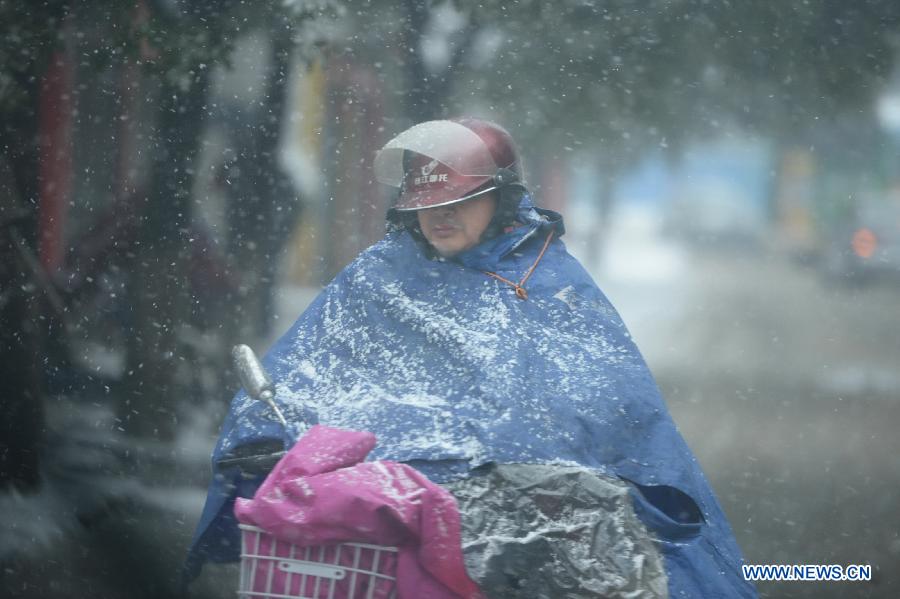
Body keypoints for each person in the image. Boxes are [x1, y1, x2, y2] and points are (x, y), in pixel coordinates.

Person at [185, 118, 756, 597]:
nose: (441, 216)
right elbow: (306, 372)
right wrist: (262, 435)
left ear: (500, 197)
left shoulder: (548, 286)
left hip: (514, 551)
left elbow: (610, 408)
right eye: (426, 202)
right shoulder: (378, 279)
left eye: (460, 200)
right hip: (373, 553)